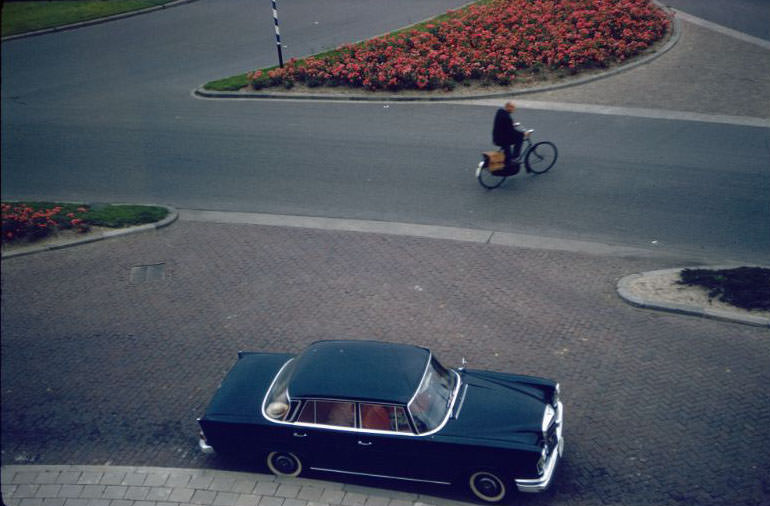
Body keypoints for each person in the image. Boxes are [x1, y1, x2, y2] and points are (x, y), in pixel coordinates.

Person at [492, 101, 527, 174]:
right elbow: (511, 132)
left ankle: (509, 159)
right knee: (520, 137)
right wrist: (523, 133)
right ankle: (515, 156)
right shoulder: (507, 118)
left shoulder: (500, 111)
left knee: (508, 149)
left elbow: (504, 126)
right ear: (508, 107)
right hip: (502, 140)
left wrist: (512, 125)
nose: (514, 110)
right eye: (513, 108)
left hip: (497, 136)